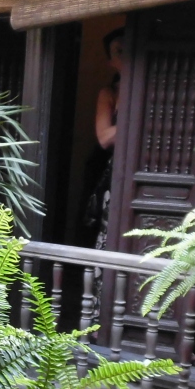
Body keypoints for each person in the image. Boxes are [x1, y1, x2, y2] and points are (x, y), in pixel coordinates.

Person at [81, 27, 125, 250]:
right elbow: (105, 138)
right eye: (119, 51)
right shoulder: (109, 93)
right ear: (111, 62)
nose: (126, 55)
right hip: (111, 172)